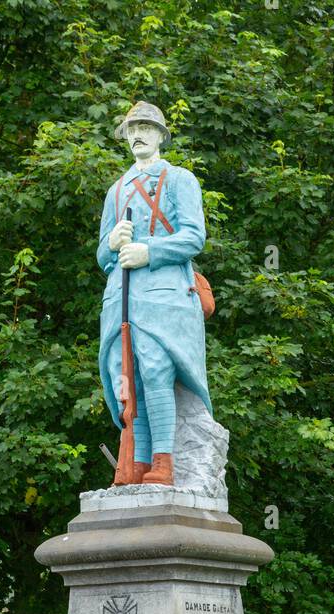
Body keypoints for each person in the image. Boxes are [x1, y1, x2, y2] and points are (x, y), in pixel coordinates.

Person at [97, 102, 212, 486]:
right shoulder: (116, 191)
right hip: (121, 299)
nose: (137, 135)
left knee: (156, 371)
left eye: (145, 127)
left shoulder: (180, 179)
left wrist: (149, 252)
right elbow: (102, 255)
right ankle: (137, 462)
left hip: (163, 298)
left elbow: (194, 236)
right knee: (127, 381)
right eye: (131, 129)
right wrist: (112, 243)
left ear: (161, 135)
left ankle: (163, 462)